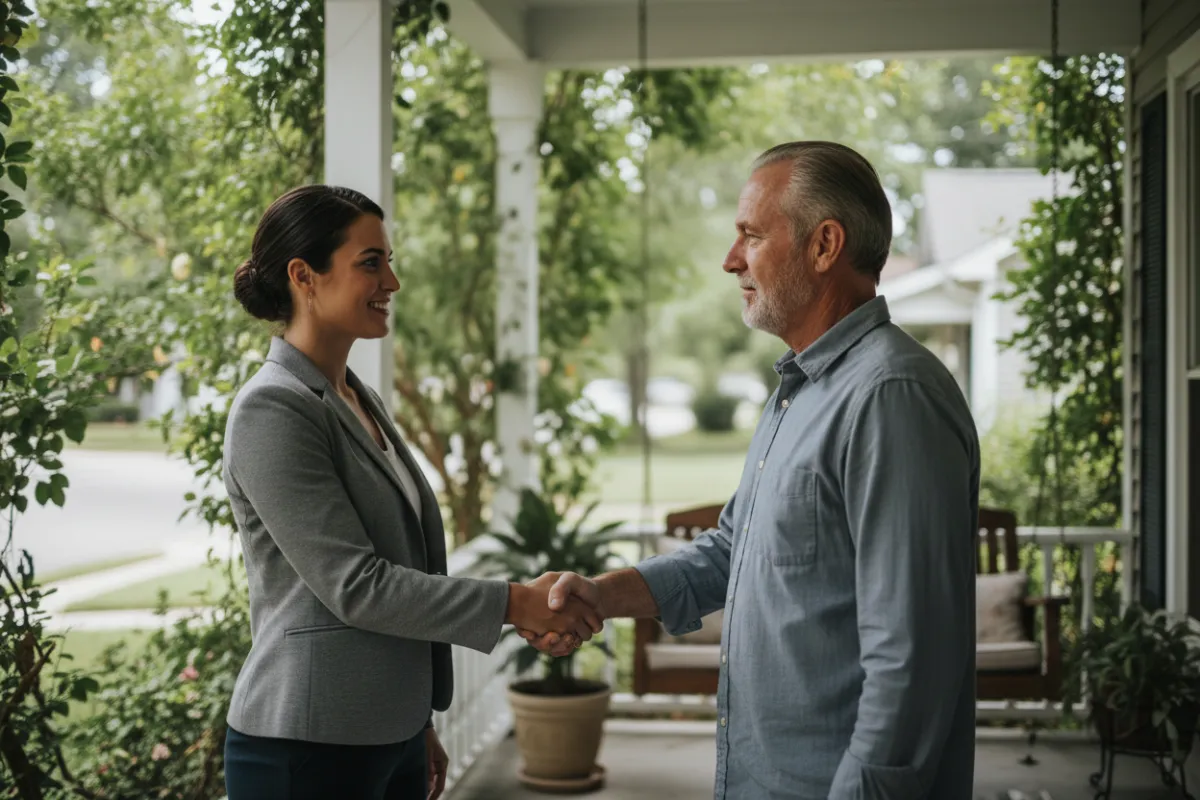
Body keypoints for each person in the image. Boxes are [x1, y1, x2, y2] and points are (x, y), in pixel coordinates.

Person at [523, 142, 981, 799]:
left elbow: (913, 658)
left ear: (824, 246)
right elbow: (734, 550)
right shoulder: (801, 389)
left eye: (752, 235)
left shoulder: (890, 397)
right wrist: (602, 595)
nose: (731, 259)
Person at [221, 184, 601, 800]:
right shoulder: (273, 408)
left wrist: (415, 722)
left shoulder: (356, 397)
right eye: (370, 263)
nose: (391, 283)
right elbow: (355, 585)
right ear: (304, 276)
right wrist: (515, 603)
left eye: (389, 262)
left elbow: (404, 559)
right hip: (308, 741)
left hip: (389, 732)